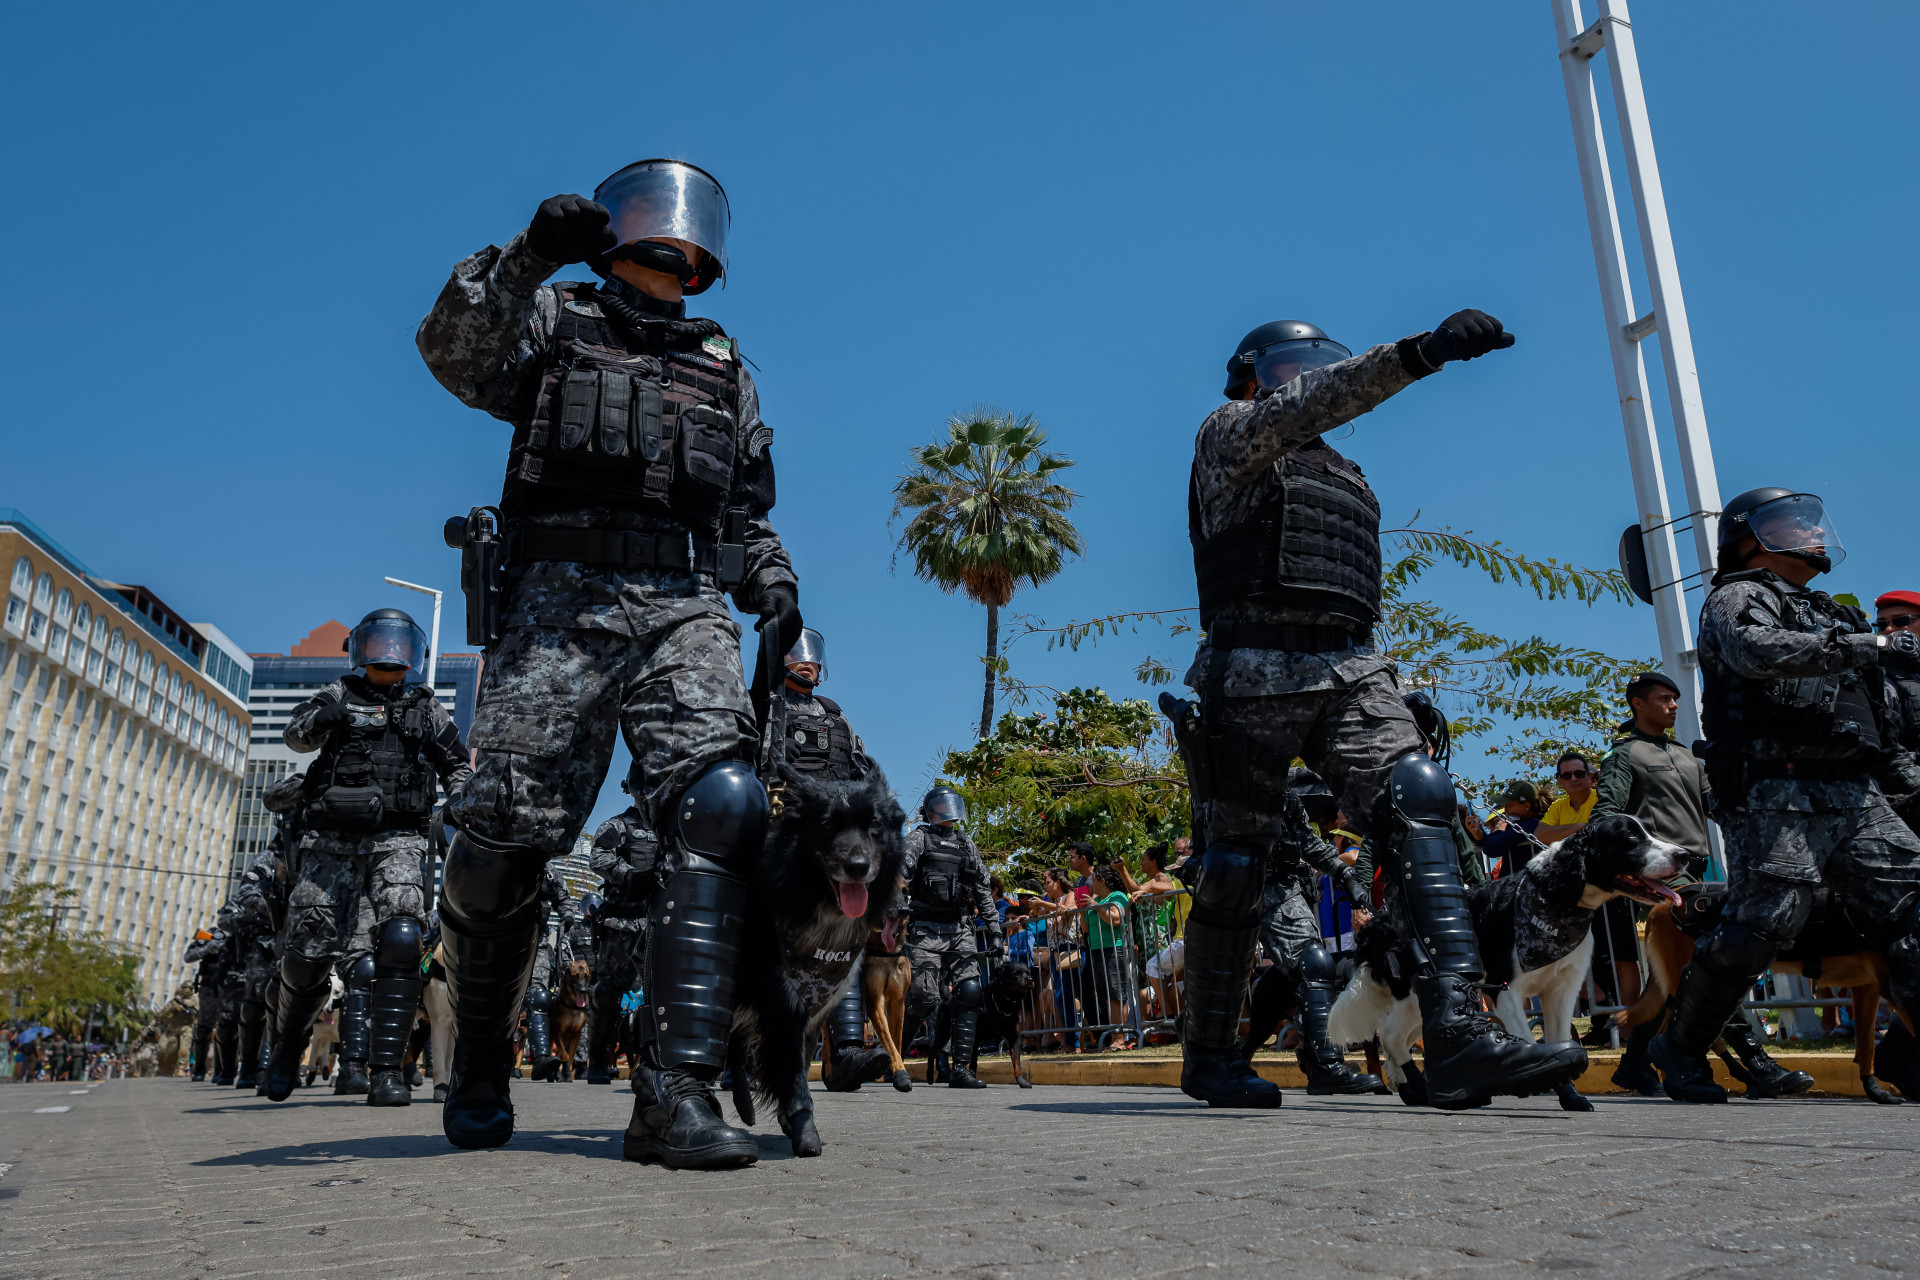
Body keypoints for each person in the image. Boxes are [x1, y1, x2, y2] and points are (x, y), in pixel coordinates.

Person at [418, 158, 799, 1168]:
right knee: (503, 832)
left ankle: (674, 1091)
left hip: (683, 602)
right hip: (560, 599)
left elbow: (746, 505)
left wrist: (774, 581)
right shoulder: (556, 317)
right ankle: (482, 1056)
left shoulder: (726, 363)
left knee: (724, 801)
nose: (675, 236)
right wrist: (528, 252)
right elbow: (453, 354)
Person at [1167, 309, 1584, 1110]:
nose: (1305, 378)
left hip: (1352, 663)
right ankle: (1212, 1056)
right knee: (1233, 867)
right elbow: (1311, 404)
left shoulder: (1344, 475)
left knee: (1422, 805)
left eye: (1312, 365)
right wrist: (1420, 354)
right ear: (1253, 375)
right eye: (1291, 366)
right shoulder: (1231, 429)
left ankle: (1458, 1031)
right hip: (1252, 666)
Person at [1650, 488, 1920, 1103]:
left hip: (1853, 790)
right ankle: (1682, 1047)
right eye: (1788, 524)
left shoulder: (1834, 614)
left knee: (1916, 905)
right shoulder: (1738, 596)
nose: (1810, 534)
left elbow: (1876, 714)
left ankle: (1911, 1055)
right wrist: (1870, 645)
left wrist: (1902, 777)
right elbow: (1754, 650)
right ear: (1749, 540)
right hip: (1775, 787)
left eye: (1811, 523)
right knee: (1761, 925)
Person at [263, 608, 472, 1106]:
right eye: (379, 641)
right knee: (308, 952)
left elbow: (458, 766)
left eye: (398, 642)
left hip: (397, 838)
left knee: (402, 936)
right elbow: (294, 736)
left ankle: (385, 1072)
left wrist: (456, 808)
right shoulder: (338, 692)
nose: (389, 651)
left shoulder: (425, 705)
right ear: (361, 648)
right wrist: (320, 720)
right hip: (331, 838)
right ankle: (286, 1049)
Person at [1239, 770, 1382, 1094]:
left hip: (1292, 901)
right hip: (1258, 895)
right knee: (1308, 969)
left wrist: (1345, 875)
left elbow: (1311, 846)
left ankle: (1323, 1065)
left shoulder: (1288, 804)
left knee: (1320, 972)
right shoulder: (1247, 799)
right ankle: (1238, 1059)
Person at [900, 787, 1001, 1088]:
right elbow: (899, 877)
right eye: (941, 804)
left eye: (951, 804)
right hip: (924, 928)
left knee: (971, 990)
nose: (947, 810)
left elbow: (982, 888)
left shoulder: (965, 843)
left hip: (959, 927)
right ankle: (895, 1056)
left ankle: (962, 1069)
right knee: (925, 997)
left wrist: (994, 930)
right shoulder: (918, 839)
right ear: (931, 810)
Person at [586, 787, 656, 1085]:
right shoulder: (617, 826)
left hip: (654, 924)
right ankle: (599, 1062)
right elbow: (598, 857)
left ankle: (651, 1061)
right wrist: (630, 875)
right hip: (618, 926)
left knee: (656, 996)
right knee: (607, 996)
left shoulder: (670, 828)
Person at [523, 864, 580, 1082]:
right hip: (503, 942)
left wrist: (566, 915)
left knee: (540, 996)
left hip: (538, 940)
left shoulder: (546, 868)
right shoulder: (503, 854)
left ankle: (541, 1059)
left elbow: (563, 898)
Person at [182, 927, 227, 1082]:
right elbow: (188, 957)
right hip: (208, 988)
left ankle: (222, 1070)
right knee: (203, 1029)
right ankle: (199, 1070)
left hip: (228, 987)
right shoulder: (208, 936)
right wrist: (208, 948)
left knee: (226, 1028)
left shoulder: (234, 937)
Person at [1478, 781, 1544, 879]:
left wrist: (1500, 829)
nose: (1506, 809)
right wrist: (1477, 833)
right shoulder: (1524, 824)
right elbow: (1491, 845)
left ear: (1526, 806)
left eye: (1510, 805)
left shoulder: (1532, 824)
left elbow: (1492, 847)